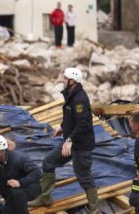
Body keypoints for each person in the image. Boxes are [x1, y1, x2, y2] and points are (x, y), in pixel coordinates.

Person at [29, 68, 98, 213]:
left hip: (81, 146)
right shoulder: (71, 95)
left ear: (72, 81)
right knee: (48, 162)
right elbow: (71, 117)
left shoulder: (80, 99)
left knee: (84, 177)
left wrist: (70, 139)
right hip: (70, 141)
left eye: (65, 78)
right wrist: (62, 126)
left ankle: (94, 210)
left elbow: (83, 123)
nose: (62, 80)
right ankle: (45, 197)